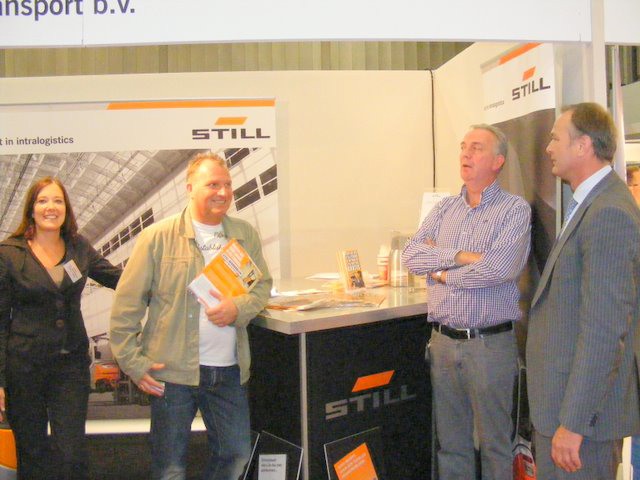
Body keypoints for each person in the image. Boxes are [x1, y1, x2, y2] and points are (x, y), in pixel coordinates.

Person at [110, 153, 272, 480]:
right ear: (190, 188)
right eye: (212, 184)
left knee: (236, 455)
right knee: (170, 467)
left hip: (228, 371)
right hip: (172, 375)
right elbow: (127, 305)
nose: (223, 192)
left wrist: (237, 309)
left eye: (227, 184)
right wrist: (133, 363)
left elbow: (262, 286)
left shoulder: (243, 234)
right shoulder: (157, 237)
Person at [402, 124, 531, 479]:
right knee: (451, 445)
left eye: (476, 147)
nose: (465, 154)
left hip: (489, 345)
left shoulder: (513, 210)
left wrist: (441, 272)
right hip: (443, 342)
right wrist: (460, 256)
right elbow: (411, 255)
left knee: (494, 446)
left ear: (498, 161)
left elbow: (499, 269)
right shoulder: (445, 209)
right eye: (463, 147)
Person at [526, 102, 640, 479]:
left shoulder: (608, 212)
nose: (548, 148)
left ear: (583, 145)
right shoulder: (592, 203)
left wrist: (574, 423)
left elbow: (604, 331)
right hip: (562, 410)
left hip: (579, 425)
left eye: (556, 139)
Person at [0, 177, 121, 479]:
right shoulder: (9, 253)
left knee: (71, 454)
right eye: (42, 201)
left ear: (66, 208)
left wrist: (159, 277)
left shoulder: (79, 247)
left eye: (57, 201)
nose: (50, 207)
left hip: (69, 368)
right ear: (31, 209)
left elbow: (117, 278)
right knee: (32, 453)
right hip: (23, 369)